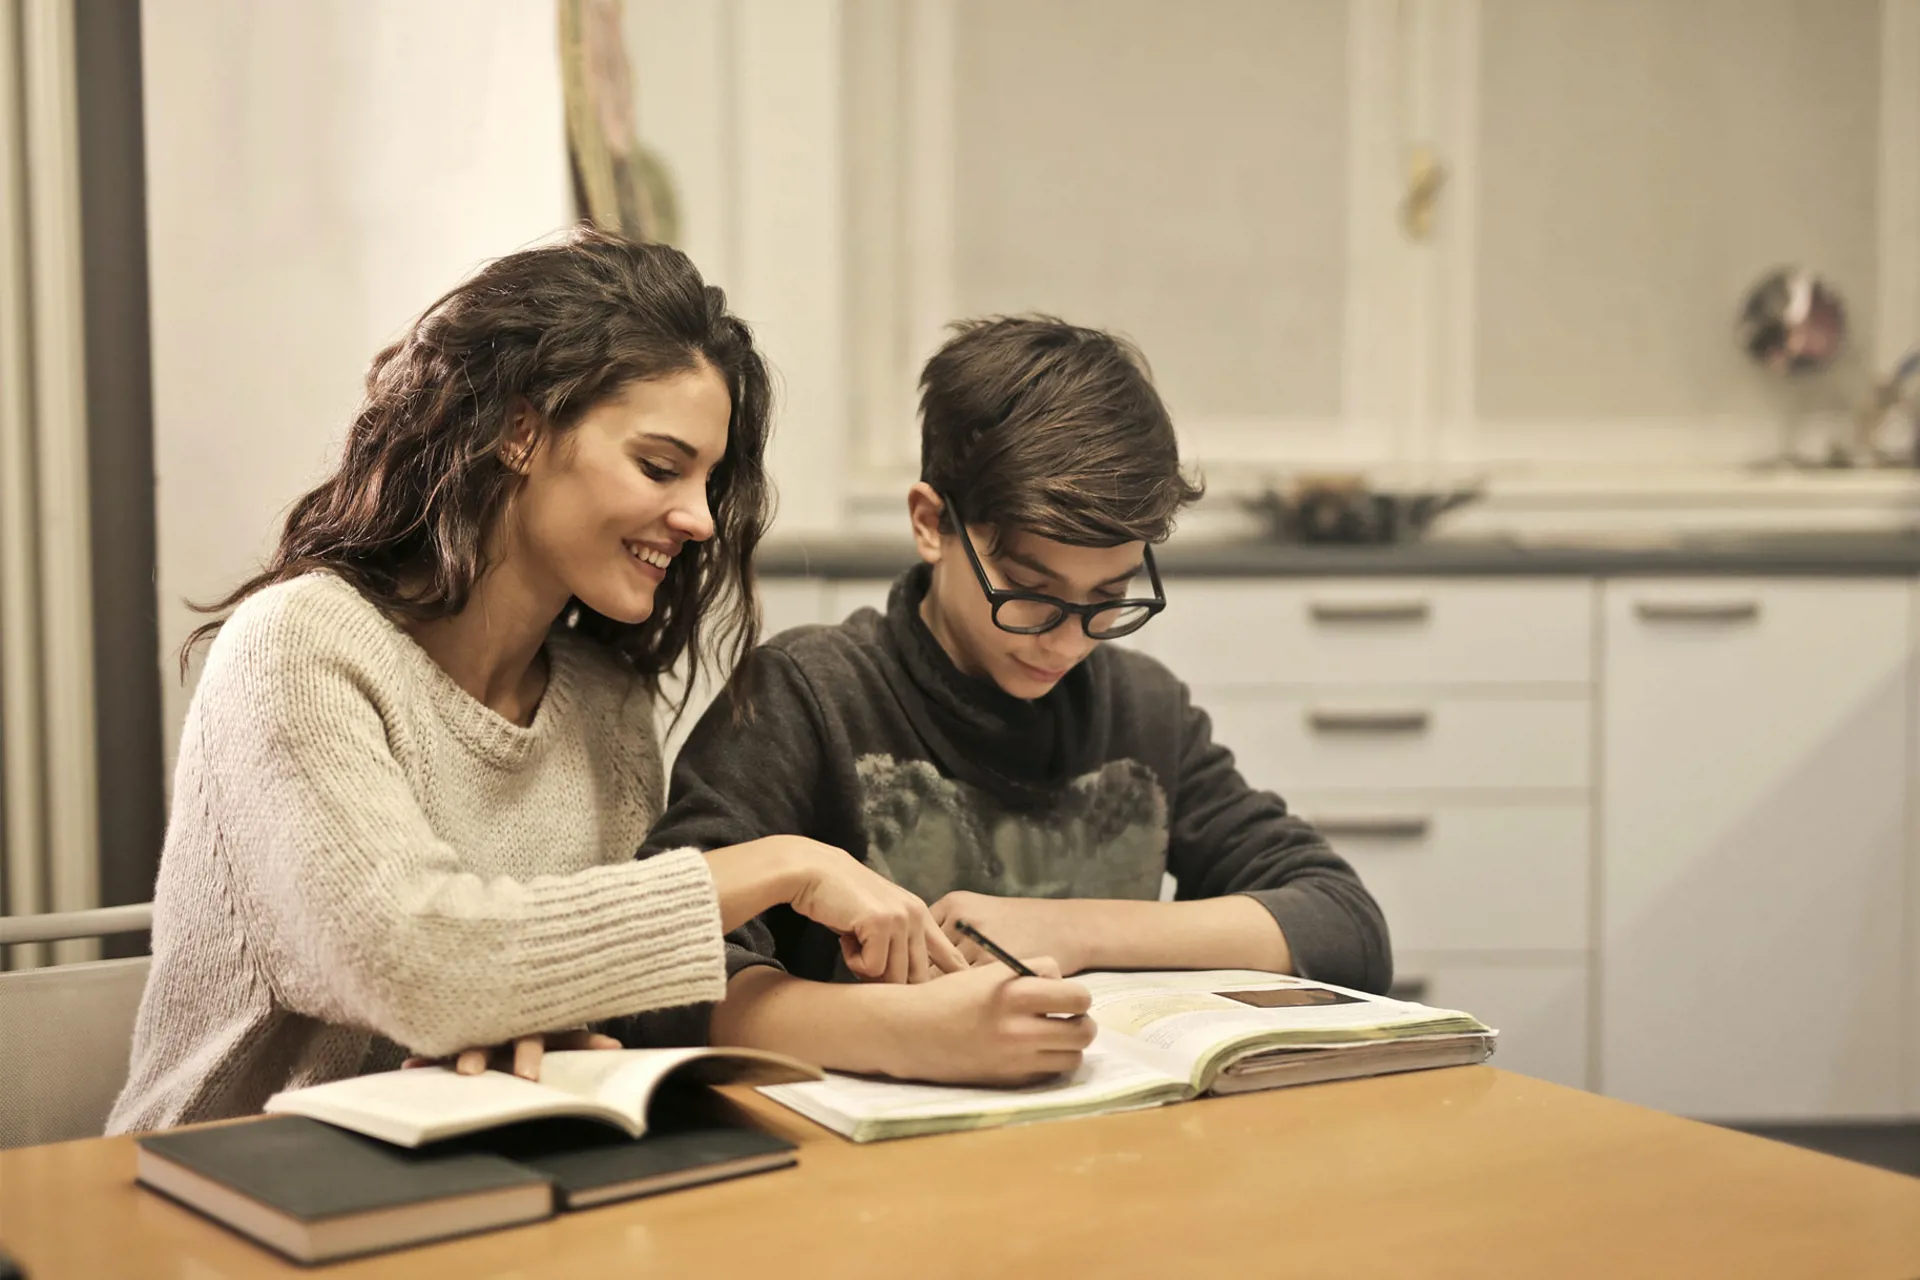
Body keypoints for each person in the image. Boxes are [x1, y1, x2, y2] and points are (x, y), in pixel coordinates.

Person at [108, 228, 965, 1135]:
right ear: (521, 430)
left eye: (710, 481)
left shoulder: (605, 703)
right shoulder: (298, 649)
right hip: (214, 1197)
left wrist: (542, 1031)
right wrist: (783, 863)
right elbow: (421, 964)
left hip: (476, 1185)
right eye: (662, 467)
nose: (699, 520)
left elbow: (560, 996)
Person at [642, 315, 1392, 1085]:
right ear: (931, 523)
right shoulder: (806, 698)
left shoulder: (1143, 709)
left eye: (1109, 596)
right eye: (1030, 596)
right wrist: (902, 1032)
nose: (1067, 643)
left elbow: (1343, 923)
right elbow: (653, 973)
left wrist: (1074, 929)